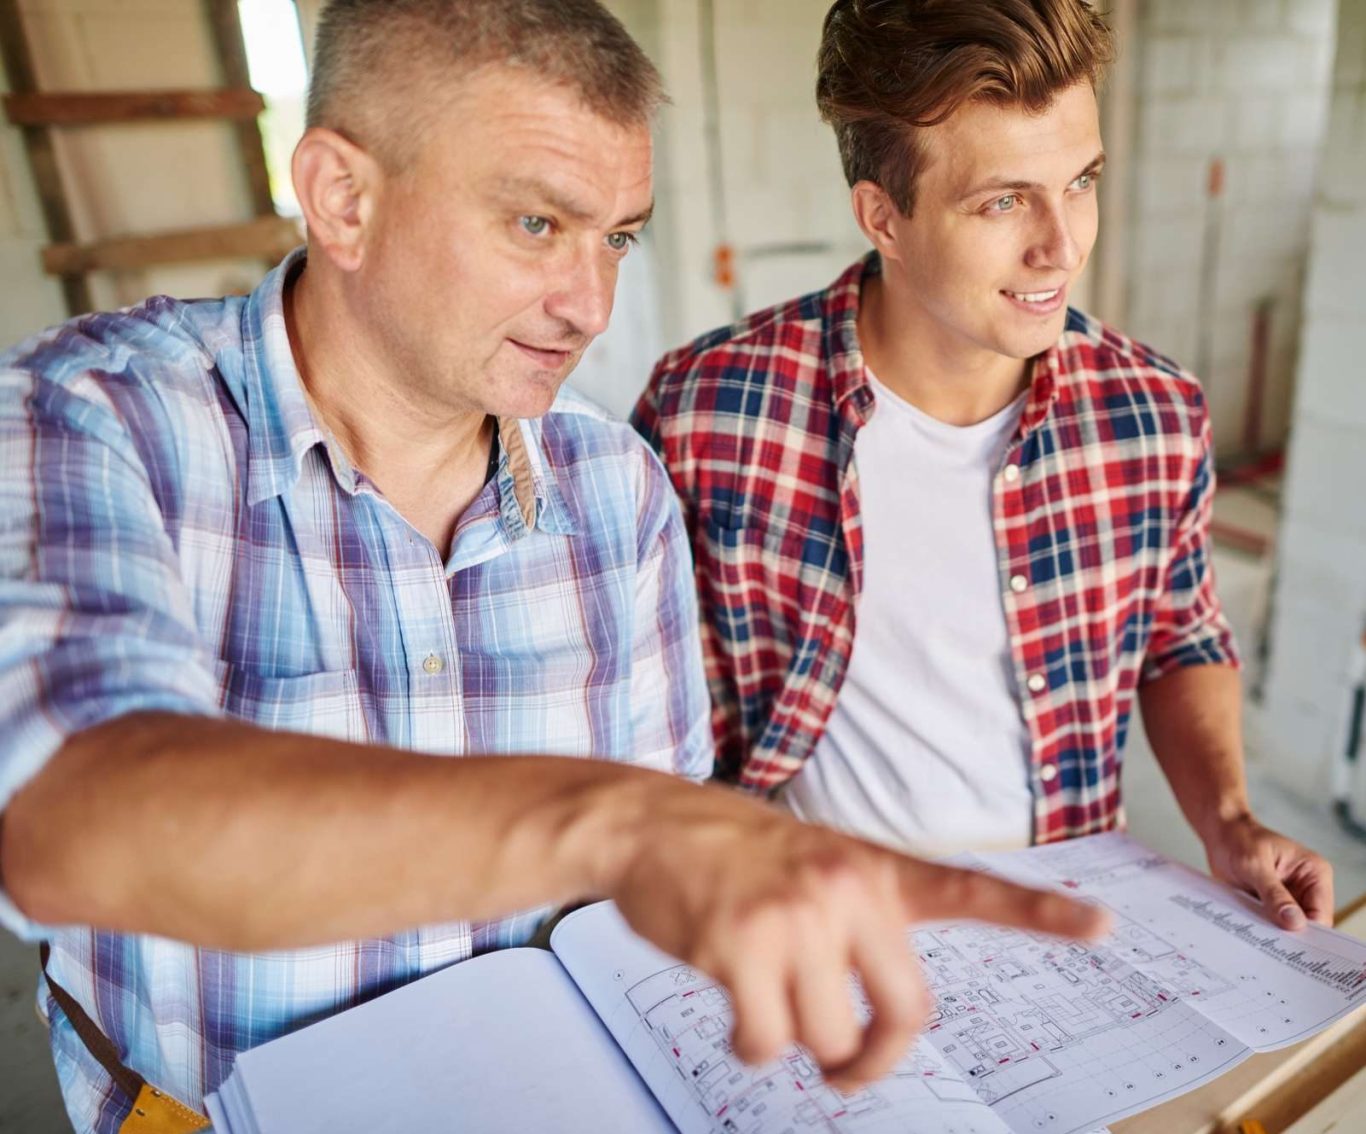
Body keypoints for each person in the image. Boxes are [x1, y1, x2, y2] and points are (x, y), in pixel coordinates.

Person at [0, 1, 1105, 1129]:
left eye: (618, 235)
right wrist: (615, 825)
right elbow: (62, 826)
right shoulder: (91, 416)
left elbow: (632, 924)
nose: (590, 305)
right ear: (344, 198)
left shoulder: (614, 488)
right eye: (537, 224)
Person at [634, 0, 1333, 929]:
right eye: (1003, 200)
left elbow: (1180, 636)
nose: (1063, 243)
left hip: (1060, 916)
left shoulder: (1153, 416)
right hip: (805, 925)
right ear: (883, 215)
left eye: (1080, 180)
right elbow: (653, 715)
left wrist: (1228, 817)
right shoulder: (707, 413)